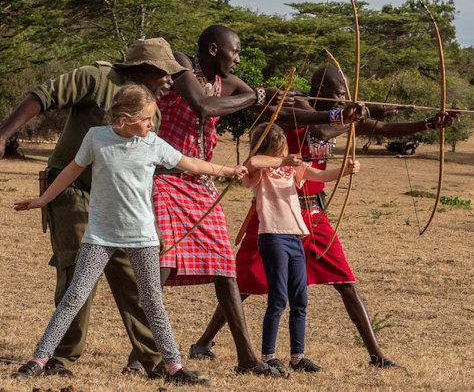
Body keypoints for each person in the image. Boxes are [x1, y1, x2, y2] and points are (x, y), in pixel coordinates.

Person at [193, 65, 456, 369]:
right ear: (319, 90)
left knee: (345, 280)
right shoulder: (296, 107)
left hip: (314, 214)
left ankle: (376, 355)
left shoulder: (341, 116)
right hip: (275, 211)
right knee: (248, 283)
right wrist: (362, 114)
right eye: (338, 93)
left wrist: (427, 123)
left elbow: (380, 129)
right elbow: (320, 128)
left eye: (345, 94)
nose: (344, 99)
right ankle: (203, 342)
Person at [148, 25, 365, 375]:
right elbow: (203, 106)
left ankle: (247, 358)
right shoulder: (180, 64)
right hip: (168, 180)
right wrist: (256, 98)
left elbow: (288, 112)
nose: (239, 59)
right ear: (215, 49)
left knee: (224, 269)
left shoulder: (229, 84)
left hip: (201, 184)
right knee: (163, 267)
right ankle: (142, 353)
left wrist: (338, 115)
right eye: (235, 52)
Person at [10, 84, 246, 384]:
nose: (151, 124)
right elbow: (71, 170)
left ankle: (174, 369)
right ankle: (38, 360)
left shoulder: (153, 143)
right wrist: (43, 200)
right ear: (124, 119)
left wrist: (227, 171)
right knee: (74, 298)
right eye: (147, 118)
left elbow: (190, 163)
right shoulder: (96, 138)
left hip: (143, 239)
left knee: (152, 303)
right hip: (99, 237)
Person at [0, 38, 185, 378]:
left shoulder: (152, 113)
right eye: (166, 74)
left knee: (135, 283)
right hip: (71, 191)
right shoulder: (95, 77)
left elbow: (140, 172)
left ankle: (159, 363)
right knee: (77, 274)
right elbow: (41, 97)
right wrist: (1, 135)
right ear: (146, 68)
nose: (170, 82)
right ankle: (60, 361)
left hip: (117, 207)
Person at [242, 122, 359, 375]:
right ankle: (268, 355)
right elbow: (252, 163)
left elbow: (319, 175)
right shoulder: (260, 172)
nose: (285, 149)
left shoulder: (291, 170)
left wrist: (344, 170)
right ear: (272, 148)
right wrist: (282, 161)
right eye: (280, 146)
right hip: (272, 237)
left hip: (295, 237)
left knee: (300, 299)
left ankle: (297, 356)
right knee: (278, 299)